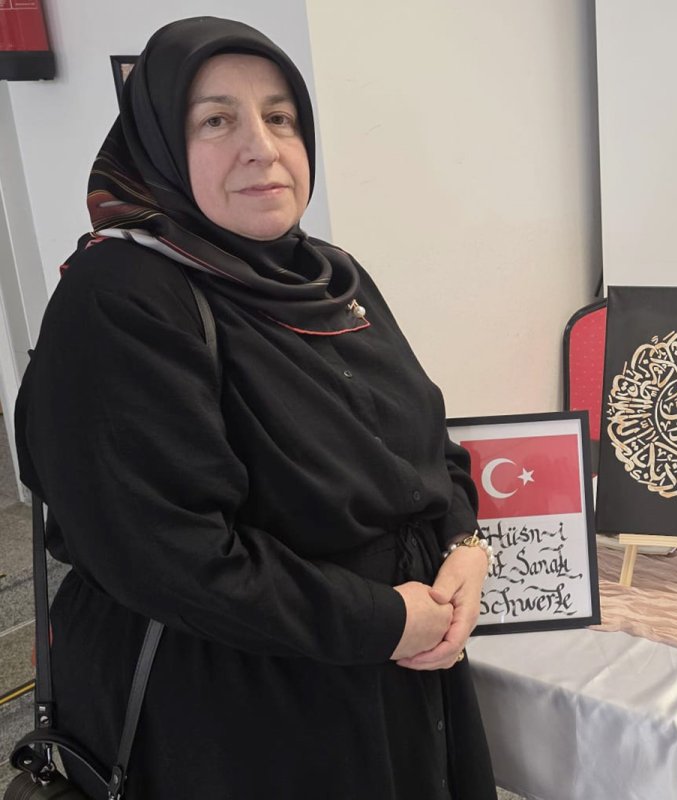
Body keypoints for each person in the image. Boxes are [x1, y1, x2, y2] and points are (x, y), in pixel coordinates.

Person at [15, 16, 496, 799]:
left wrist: (464, 546)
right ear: (157, 145)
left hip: (391, 673)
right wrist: (381, 621)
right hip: (239, 705)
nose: (262, 147)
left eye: (281, 117)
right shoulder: (123, 300)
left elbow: (425, 447)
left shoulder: (330, 277)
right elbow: (171, 554)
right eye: (215, 121)